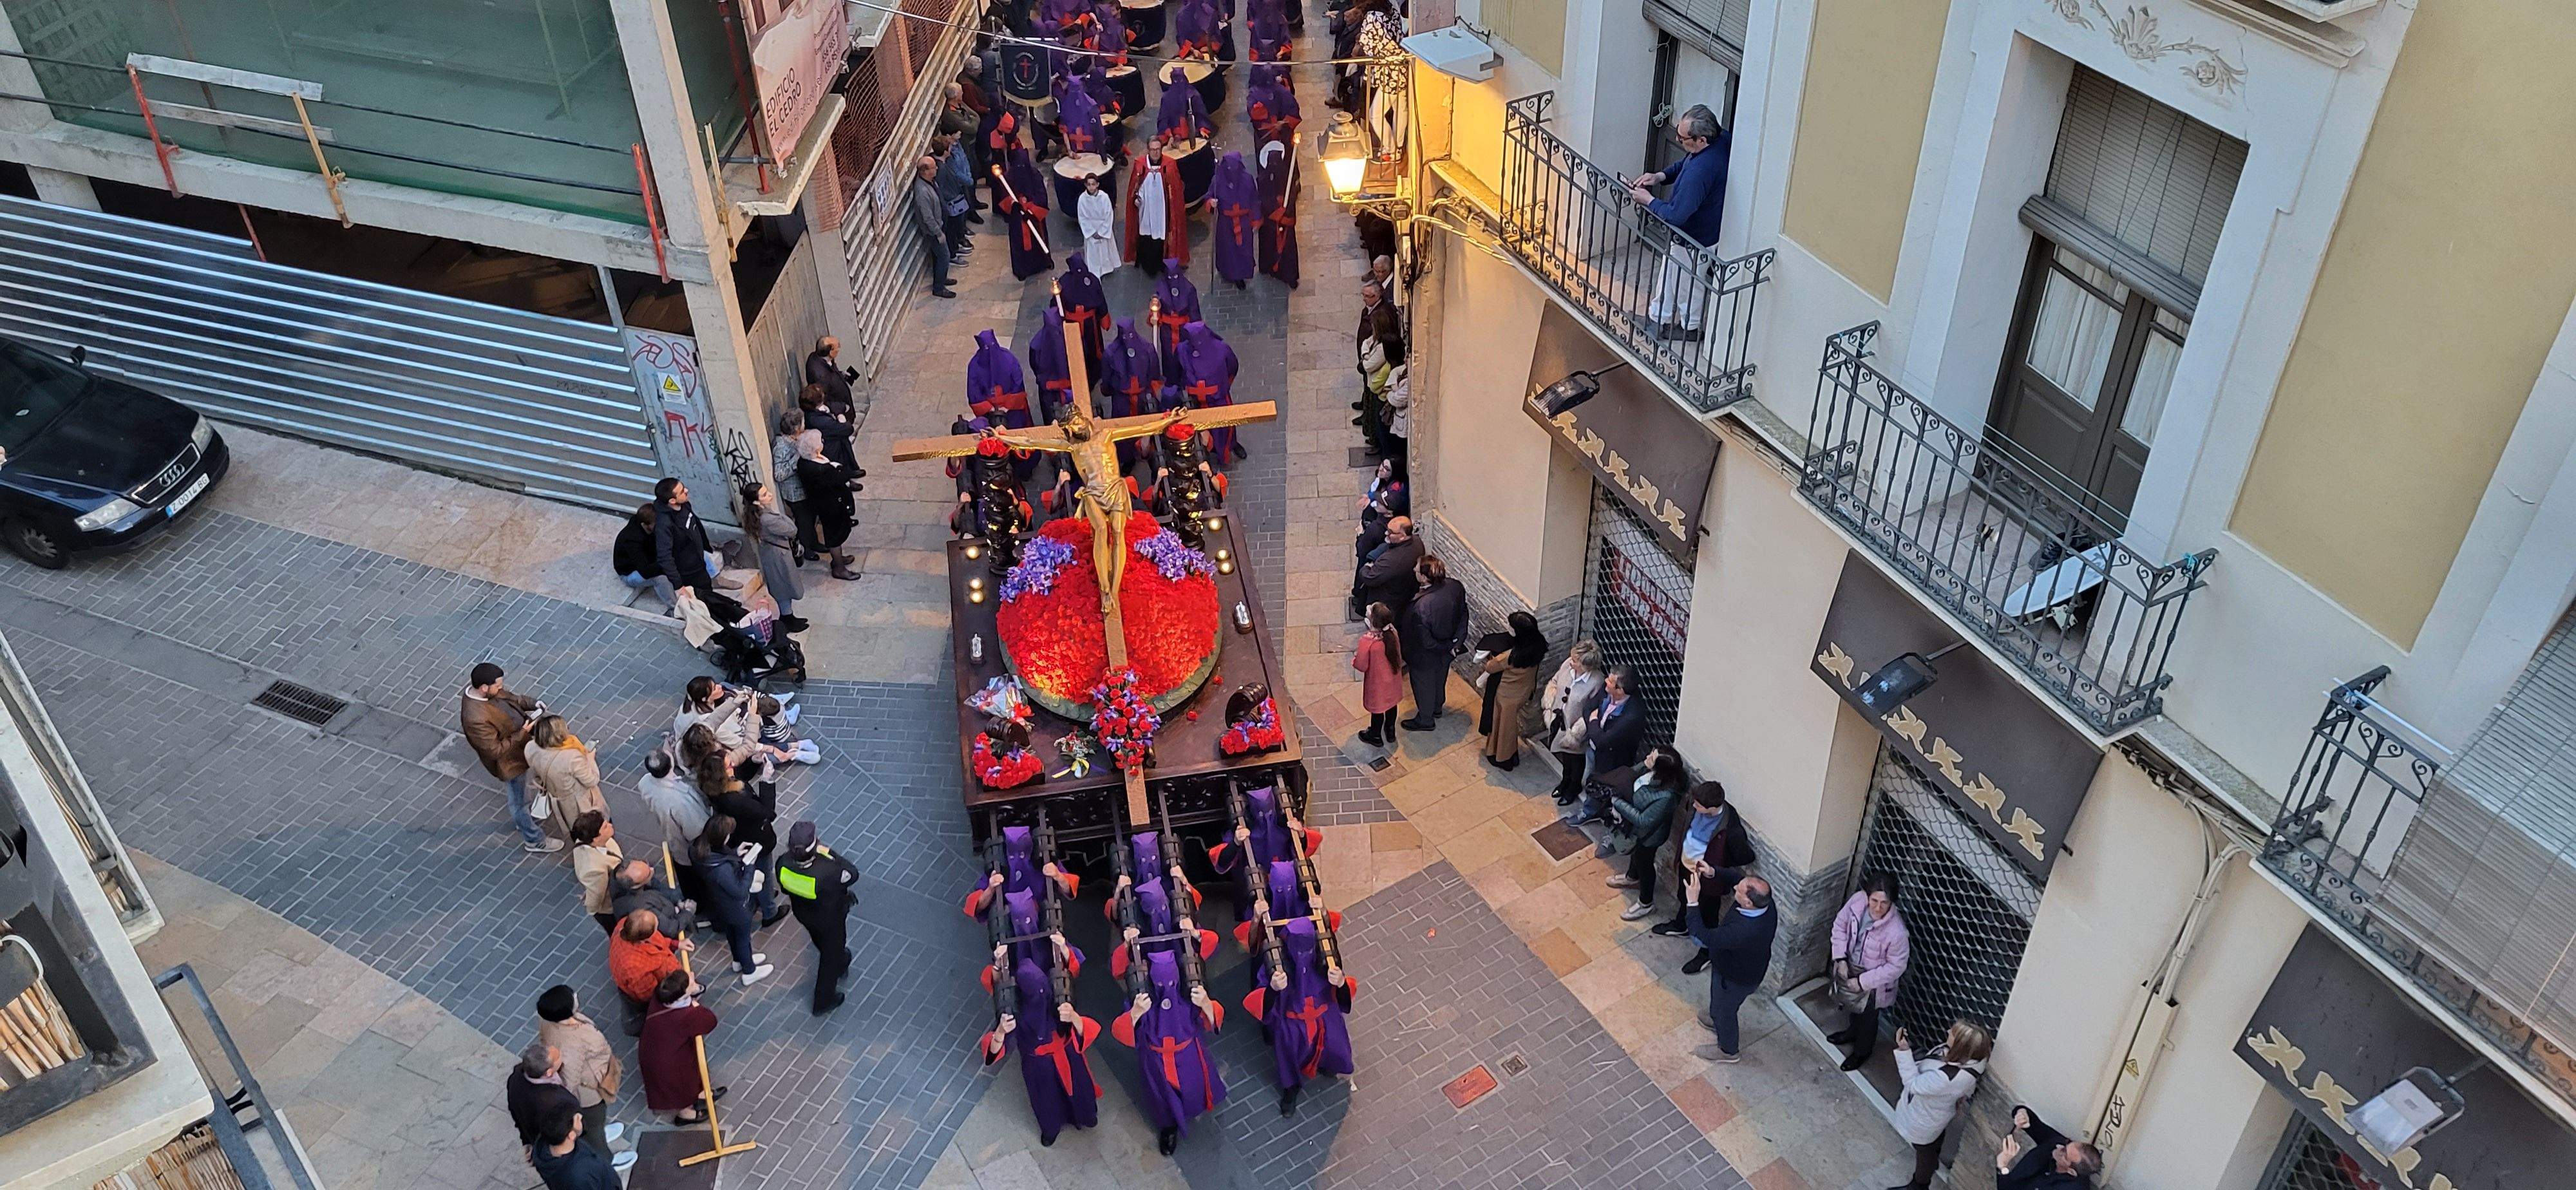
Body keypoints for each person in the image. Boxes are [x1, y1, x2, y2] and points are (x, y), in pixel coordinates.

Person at [1626, 104, 1730, 343]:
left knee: (1686, 285)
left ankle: (1689, 328)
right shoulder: (1719, 141)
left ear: (1701, 140)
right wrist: (1661, 176)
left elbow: (1675, 215)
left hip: (1693, 238)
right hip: (1698, 236)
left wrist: (1649, 200)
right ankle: (1657, 318)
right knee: (1672, 276)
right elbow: (1685, 162)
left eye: (1682, 138)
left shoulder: (1701, 171)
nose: (1677, 140)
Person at [460, 663, 557, 854]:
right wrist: (523, 732)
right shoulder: (474, 718)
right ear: (484, 688)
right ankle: (534, 840)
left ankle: (527, 821)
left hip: (522, 749)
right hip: (510, 763)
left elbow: (514, 700)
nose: (501, 688)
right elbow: (495, 751)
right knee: (519, 801)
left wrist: (533, 704)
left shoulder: (492, 692)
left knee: (526, 792)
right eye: (498, 685)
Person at [535, 985, 632, 1170]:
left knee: (595, 1124)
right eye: (573, 997)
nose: (576, 996)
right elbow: (570, 1081)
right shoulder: (570, 1043)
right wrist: (569, 1111)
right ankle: (606, 1160)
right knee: (592, 1125)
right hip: (588, 1094)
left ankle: (599, 1134)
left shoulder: (550, 1020)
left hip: (589, 1084)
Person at [1684, 869, 1774, 1063]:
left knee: (1725, 1011)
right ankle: (1716, 1016)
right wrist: (1714, 872)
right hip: (1742, 967)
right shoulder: (1766, 903)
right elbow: (1738, 879)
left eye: (1739, 892)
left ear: (1748, 903)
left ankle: (1728, 1050)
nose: (1735, 888)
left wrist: (1692, 901)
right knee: (1720, 1004)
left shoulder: (1743, 931)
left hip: (1735, 978)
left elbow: (1703, 936)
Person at [1655, 779, 1755, 954]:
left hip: (1708, 879)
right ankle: (1681, 926)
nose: (1694, 805)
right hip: (1687, 866)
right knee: (1683, 897)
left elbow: (1745, 856)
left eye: (1699, 805)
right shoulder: (1694, 806)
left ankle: (1707, 953)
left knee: (1708, 915)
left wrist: (1718, 864)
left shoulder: (1730, 829)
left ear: (1712, 808)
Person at [1889, 1020, 1989, 1190]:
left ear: (1960, 1045)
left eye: (1953, 1033)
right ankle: (1932, 1162)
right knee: (1933, 1142)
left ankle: (1920, 1184)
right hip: (1935, 1113)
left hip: (1924, 1117)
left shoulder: (1946, 1078)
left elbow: (1913, 1084)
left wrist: (1904, 1051)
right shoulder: (1970, 1059)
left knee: (1924, 1150)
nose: (1948, 1030)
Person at [1828, 873, 1912, 1072]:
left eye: (1884, 903)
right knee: (1852, 1006)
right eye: (1874, 900)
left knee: (1868, 1019)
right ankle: (1851, 1033)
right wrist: (1840, 958)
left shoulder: (1897, 932)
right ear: (1867, 896)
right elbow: (1840, 927)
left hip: (1874, 982)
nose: (1877, 907)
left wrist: (1864, 982)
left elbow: (1896, 966)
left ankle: (1862, 1052)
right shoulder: (1857, 903)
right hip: (1850, 965)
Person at [777, 820, 860, 1014]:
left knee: (822, 942)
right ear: (814, 846)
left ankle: (840, 959)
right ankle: (823, 1001)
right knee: (830, 957)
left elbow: (784, 887)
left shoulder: (783, 863)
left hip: (804, 914)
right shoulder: (827, 871)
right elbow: (852, 873)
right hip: (829, 918)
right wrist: (828, 853)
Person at [1603, 750, 1686, 920]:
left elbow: (1645, 820)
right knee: (1637, 854)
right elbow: (1631, 776)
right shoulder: (1649, 771)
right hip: (1637, 832)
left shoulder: (1667, 797)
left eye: (1652, 757)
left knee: (1645, 863)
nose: (1647, 757)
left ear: (1660, 769)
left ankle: (1646, 903)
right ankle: (1632, 877)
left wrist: (1618, 803)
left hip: (1650, 836)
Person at [696, 814, 775, 987]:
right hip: (735, 908)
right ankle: (750, 971)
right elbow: (739, 891)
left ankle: (739, 961)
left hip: (720, 905)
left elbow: (721, 857)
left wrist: (735, 853)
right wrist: (749, 865)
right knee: (743, 938)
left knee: (732, 935)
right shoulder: (722, 870)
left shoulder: (701, 851)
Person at [639, 970, 726, 1125]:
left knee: (691, 1076)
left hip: (660, 1051)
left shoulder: (661, 998)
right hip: (668, 1063)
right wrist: (695, 1005)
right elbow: (710, 1021)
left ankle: (701, 1094)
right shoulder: (684, 1016)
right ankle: (686, 1115)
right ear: (681, 997)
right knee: (681, 1087)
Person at [1398, 555, 1468, 730]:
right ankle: (1437, 708)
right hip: (1447, 650)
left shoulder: (1422, 607)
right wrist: (1455, 645)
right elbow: (1463, 614)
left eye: (1417, 568)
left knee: (1424, 687)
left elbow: (1427, 642)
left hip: (1425, 655)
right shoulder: (1455, 586)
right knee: (1440, 679)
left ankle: (1426, 719)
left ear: (1424, 577)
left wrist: (1448, 647)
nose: (1414, 569)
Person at [1539, 642, 1606, 806]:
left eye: (1576, 661)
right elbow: (1555, 681)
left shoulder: (1597, 682)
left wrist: (1577, 732)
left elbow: (1594, 709)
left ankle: (1573, 787)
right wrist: (1550, 703)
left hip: (1575, 730)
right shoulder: (1567, 666)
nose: (1571, 662)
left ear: (1587, 666)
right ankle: (1564, 782)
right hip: (1558, 720)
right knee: (1564, 757)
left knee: (1575, 761)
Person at [1477, 610, 1547, 768]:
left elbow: (1491, 667)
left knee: (1502, 726)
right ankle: (1509, 752)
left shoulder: (1511, 656)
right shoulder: (1538, 644)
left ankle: (1502, 757)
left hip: (1506, 695)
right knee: (1508, 725)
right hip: (1524, 690)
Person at [1170, 321, 1245, 462]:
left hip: (1217, 398)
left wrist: (1224, 385)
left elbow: (1232, 366)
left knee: (1226, 426)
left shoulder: (1221, 348)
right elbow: (1176, 372)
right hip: (1193, 402)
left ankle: (1230, 446)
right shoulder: (1182, 350)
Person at [524, 715, 605, 844]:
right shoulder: (571, 757)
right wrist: (590, 758)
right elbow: (592, 780)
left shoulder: (531, 748)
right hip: (579, 801)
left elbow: (535, 772)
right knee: (595, 826)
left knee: (574, 828)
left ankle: (580, 845)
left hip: (558, 798)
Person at [795, 428, 863, 581]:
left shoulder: (805, 462)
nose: (823, 443)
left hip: (825, 502)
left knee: (836, 533)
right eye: (820, 442)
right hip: (830, 505)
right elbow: (841, 477)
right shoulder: (820, 470)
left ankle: (838, 558)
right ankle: (839, 567)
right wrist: (839, 469)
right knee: (835, 535)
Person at [609, 909, 683, 1035]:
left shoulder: (626, 926)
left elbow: (656, 941)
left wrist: (675, 944)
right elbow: (650, 994)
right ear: (644, 938)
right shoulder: (634, 967)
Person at [1996, 1104, 2103, 1189]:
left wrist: (2003, 1166)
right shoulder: (2059, 1143)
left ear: (2071, 1171)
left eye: (2065, 1152)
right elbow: (2030, 1120)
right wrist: (2022, 1114)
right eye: (2067, 1144)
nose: (2059, 1147)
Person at [506, 1042, 581, 1161]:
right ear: (549, 1073)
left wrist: (527, 1141)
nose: (562, 1056)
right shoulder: (557, 1102)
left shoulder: (515, 1078)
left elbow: (515, 1111)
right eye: (558, 1058)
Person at [1124, 137, 1188, 271]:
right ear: (1148, 150)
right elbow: (1134, 187)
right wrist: (1135, 198)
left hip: (1163, 211)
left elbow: (1176, 190)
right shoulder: (1140, 165)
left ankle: (1163, 262)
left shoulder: (1169, 165)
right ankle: (1147, 264)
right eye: (1152, 150)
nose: (1155, 153)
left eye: (1158, 150)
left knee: (1161, 235)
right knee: (1146, 235)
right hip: (1145, 210)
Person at [742, 481, 804, 617]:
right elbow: (792, 529)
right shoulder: (768, 519)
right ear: (757, 502)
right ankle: (788, 617)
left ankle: (789, 616)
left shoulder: (756, 516)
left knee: (783, 587)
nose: (770, 495)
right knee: (784, 588)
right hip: (778, 558)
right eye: (764, 495)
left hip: (772, 555)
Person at [652, 478, 717, 603]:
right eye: (682, 491)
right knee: (702, 601)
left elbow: (695, 524)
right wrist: (678, 585)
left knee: (710, 594)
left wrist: (705, 546)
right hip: (688, 572)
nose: (687, 491)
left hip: (699, 562)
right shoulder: (664, 525)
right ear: (672, 500)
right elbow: (664, 557)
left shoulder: (685, 504)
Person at [770, 408, 820, 561]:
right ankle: (806, 549)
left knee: (811, 516)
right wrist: (796, 460)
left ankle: (815, 542)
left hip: (804, 488)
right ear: (797, 428)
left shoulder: (796, 440)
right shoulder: (782, 447)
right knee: (804, 521)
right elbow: (779, 475)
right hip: (794, 493)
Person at [1351, 601, 1404, 748]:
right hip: (1392, 679)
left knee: (1378, 709)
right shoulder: (1393, 633)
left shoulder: (1368, 642)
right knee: (1391, 705)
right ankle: (1390, 731)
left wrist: (1355, 658)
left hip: (1377, 683)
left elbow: (1361, 665)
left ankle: (1375, 735)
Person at [529, 1104, 619, 1190]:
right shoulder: (580, 1176)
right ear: (571, 1136)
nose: (580, 1116)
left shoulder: (542, 1147)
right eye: (577, 1119)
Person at [1584, 666, 1649, 786]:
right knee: (1588, 777)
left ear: (1620, 690)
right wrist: (1596, 731)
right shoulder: (1606, 690)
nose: (1606, 682)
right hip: (1592, 749)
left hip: (1610, 762)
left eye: (1610, 682)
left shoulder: (1632, 716)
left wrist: (1593, 721)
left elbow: (1603, 742)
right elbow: (1588, 708)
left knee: (1600, 789)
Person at [996, 148, 1055, 279]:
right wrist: (1014, 205)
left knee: (1039, 239)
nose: (1020, 168)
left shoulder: (1034, 175)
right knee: (1019, 243)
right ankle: (1022, 270)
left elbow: (1041, 195)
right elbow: (1005, 197)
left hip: (1034, 216)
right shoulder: (1008, 178)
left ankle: (1044, 262)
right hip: (1018, 218)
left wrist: (1030, 208)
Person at [1351, 514, 1421, 617]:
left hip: (1390, 599)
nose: (1386, 533)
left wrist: (1367, 566)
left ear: (1402, 536)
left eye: (1391, 532)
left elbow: (1369, 577)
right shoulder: (1417, 542)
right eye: (1388, 529)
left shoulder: (1392, 561)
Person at [909, 155, 959, 299]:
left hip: (940, 225)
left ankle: (942, 279)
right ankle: (939, 288)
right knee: (944, 256)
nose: (936, 168)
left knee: (939, 257)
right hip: (934, 231)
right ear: (925, 171)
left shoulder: (930, 182)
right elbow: (928, 217)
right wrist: (938, 233)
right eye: (933, 167)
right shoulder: (922, 192)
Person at [1208, 150, 1258, 288]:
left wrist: (1256, 218)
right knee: (1228, 250)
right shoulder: (1218, 180)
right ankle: (1229, 273)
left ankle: (1242, 274)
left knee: (1244, 249)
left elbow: (1254, 199)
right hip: (1226, 223)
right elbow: (1210, 195)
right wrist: (1211, 202)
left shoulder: (1247, 179)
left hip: (1243, 223)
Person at [569, 812, 625, 933]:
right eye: (605, 827)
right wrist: (591, 908)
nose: (610, 825)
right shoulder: (594, 869)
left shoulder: (590, 840)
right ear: (596, 838)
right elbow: (597, 895)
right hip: (611, 908)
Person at [1256, 138, 1298, 287]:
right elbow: (1262, 198)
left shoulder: (1288, 176)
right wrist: (1275, 211)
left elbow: (1292, 195)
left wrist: (1285, 211)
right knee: (1269, 244)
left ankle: (1289, 275)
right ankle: (1269, 267)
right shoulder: (1263, 178)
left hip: (1285, 220)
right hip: (1270, 222)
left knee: (1287, 248)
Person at [611, 502, 665, 608]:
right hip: (630, 573)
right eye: (656, 524)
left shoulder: (647, 525)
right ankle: (675, 607)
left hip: (649, 558)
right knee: (661, 578)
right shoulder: (632, 541)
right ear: (645, 525)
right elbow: (645, 571)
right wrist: (666, 564)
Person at [936, 132, 978, 264]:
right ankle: (953, 254)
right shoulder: (942, 169)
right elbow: (942, 189)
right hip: (951, 203)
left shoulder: (944, 164)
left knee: (954, 228)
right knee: (951, 229)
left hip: (953, 199)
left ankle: (955, 247)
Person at [1077, 174, 1119, 274]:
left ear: (1098, 185)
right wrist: (1092, 232)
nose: (1091, 187)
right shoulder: (1082, 199)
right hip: (1091, 230)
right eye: (1089, 184)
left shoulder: (1104, 197)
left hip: (1103, 228)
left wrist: (1102, 232)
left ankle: (1107, 268)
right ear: (1085, 185)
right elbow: (1082, 217)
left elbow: (1109, 215)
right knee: (1093, 253)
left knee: (1105, 250)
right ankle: (1094, 269)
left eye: (1093, 184)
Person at [805, 335, 857, 416]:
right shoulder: (821, 377)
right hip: (841, 411)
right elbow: (823, 399)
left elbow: (831, 371)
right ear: (831, 352)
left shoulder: (818, 358)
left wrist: (841, 375)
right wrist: (842, 408)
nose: (839, 348)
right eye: (838, 347)